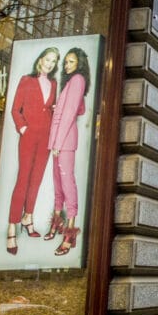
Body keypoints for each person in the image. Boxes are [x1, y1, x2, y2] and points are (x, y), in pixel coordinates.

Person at [6, 46, 59, 255]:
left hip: (46, 137)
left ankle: (28, 217)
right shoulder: (26, 81)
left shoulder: (54, 84)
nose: (50, 64)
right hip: (29, 135)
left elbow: (50, 109)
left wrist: (54, 111)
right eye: (48, 59)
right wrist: (23, 128)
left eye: (54, 61)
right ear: (40, 59)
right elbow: (15, 109)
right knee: (23, 179)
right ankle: (12, 225)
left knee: (36, 180)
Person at [47, 47, 91, 256]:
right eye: (66, 62)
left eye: (71, 62)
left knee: (67, 183)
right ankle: (56, 224)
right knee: (58, 184)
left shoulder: (78, 80)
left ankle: (70, 233)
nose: (66, 65)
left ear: (79, 63)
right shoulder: (71, 82)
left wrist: (57, 142)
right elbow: (79, 108)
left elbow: (70, 114)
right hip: (57, 140)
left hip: (64, 141)